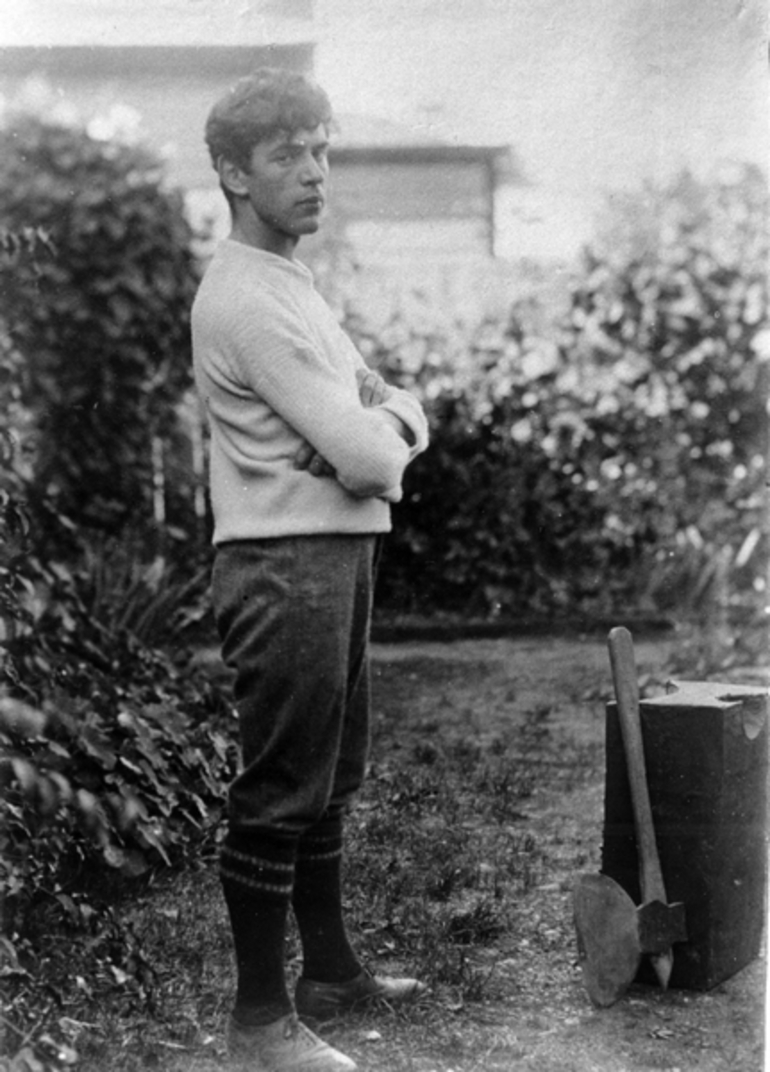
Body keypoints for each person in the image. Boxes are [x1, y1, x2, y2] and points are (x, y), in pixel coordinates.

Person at [191, 67, 429, 1072]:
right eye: (287, 154)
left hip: (332, 552)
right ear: (232, 173)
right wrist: (385, 429)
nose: (314, 172)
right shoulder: (248, 297)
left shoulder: (292, 286)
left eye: (320, 148)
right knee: (282, 791)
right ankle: (258, 1026)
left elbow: (385, 412)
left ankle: (329, 971)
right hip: (284, 563)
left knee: (331, 778)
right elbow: (375, 455)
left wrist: (384, 420)